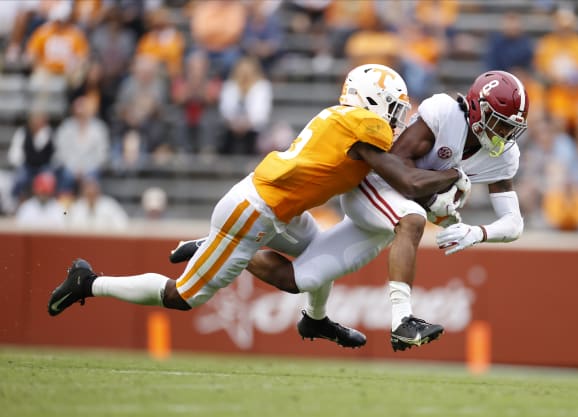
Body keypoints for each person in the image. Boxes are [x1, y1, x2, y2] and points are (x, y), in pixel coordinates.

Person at [47, 64, 464, 350]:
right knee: (183, 296)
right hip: (254, 212)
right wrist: (453, 176)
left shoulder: (347, 119)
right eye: (392, 107)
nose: (396, 118)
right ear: (370, 101)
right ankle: (89, 282)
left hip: (280, 206)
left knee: (320, 259)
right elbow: (405, 178)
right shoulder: (364, 124)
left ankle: (314, 319)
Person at [170, 70, 529, 352]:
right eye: (499, 122)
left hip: (394, 209)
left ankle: (222, 248)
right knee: (411, 218)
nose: (504, 135)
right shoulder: (444, 113)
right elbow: (398, 170)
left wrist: (477, 232)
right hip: (376, 189)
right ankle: (403, 322)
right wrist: (441, 191)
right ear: (478, 109)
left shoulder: (505, 155)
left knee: (301, 279)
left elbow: (514, 224)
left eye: (511, 127)